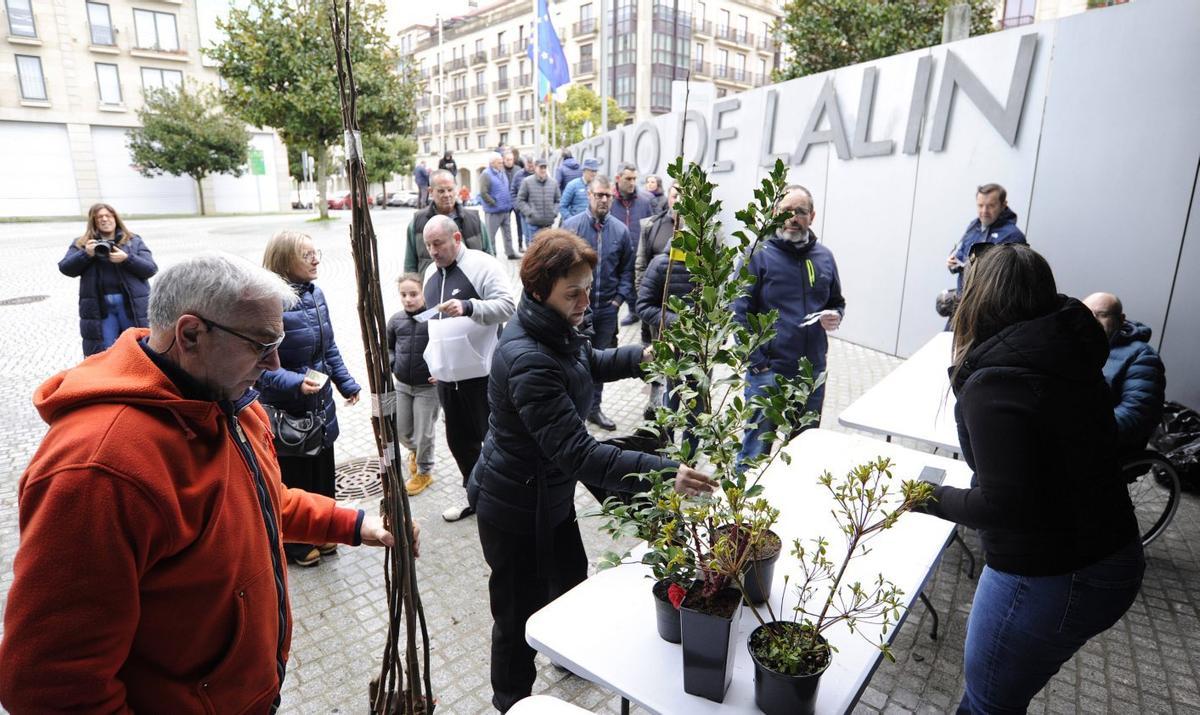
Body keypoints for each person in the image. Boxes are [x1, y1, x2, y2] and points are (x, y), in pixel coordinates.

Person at [0, 253, 405, 711]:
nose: (274, 363)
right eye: (260, 344)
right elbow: (50, 685)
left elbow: (261, 503)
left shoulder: (231, 401)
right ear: (190, 334)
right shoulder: (98, 469)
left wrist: (352, 524)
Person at [467, 229, 717, 712]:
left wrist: (643, 357)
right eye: (573, 293)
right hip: (515, 508)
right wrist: (667, 473)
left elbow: (588, 361)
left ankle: (563, 653)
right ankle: (511, 701)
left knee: (569, 579)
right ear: (540, 291)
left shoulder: (554, 329)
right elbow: (580, 454)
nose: (586, 300)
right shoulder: (527, 359)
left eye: (588, 288)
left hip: (550, 496)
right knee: (517, 612)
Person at [917, 244, 1144, 714]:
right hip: (1113, 551)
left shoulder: (996, 380)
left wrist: (932, 497)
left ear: (980, 300)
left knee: (987, 705)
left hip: (1052, 572)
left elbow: (1003, 506)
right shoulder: (1067, 349)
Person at [256, 231, 362, 567]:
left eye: (316, 252)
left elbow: (328, 348)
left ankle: (324, 530)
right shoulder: (266, 303)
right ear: (285, 260)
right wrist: (295, 384)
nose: (316, 259)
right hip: (289, 412)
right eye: (307, 254)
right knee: (296, 479)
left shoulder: (316, 295)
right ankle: (296, 545)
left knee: (322, 472)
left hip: (320, 405)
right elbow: (257, 367)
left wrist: (346, 383)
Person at [733, 185, 845, 462]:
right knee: (754, 454)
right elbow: (738, 313)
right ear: (773, 213)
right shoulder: (757, 255)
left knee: (803, 452)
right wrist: (759, 363)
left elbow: (836, 301)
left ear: (812, 216)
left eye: (800, 212)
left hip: (811, 373)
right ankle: (744, 504)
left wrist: (836, 315)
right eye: (786, 211)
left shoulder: (824, 257)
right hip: (769, 373)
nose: (793, 218)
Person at [421, 214, 517, 521]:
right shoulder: (428, 273)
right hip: (448, 380)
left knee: (494, 441)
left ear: (457, 238)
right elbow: (433, 323)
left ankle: (505, 499)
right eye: (428, 245)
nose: (433, 251)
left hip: (484, 377)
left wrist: (470, 306)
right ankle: (474, 496)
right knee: (459, 443)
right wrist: (434, 361)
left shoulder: (482, 265)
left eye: (438, 243)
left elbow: (508, 306)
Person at [561, 175, 635, 431]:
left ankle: (594, 408)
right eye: (598, 195)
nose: (603, 200)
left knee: (599, 361)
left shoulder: (621, 231)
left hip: (606, 311)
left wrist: (617, 301)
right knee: (572, 361)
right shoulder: (571, 228)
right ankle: (572, 413)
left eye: (607, 196)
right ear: (589, 195)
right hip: (575, 312)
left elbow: (628, 270)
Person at [58, 203, 158, 356]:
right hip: (100, 308)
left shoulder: (132, 240)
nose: (104, 220)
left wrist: (127, 258)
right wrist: (86, 253)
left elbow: (150, 268)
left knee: (139, 348)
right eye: (99, 217)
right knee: (105, 352)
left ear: (115, 218)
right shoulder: (83, 243)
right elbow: (66, 268)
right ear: (93, 221)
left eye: (108, 216)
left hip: (131, 306)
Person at [1082, 292, 1167, 453]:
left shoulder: (1142, 355)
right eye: (1087, 314)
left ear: (1121, 320)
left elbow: (1137, 412)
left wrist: (1087, 430)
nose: (1092, 320)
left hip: (1103, 442)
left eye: (1102, 315)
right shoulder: (1076, 347)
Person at [388, 273, 439, 496]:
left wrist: (441, 370)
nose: (408, 299)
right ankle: (416, 453)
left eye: (414, 294)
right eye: (404, 295)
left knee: (424, 433)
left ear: (423, 294)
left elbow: (445, 346)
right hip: (402, 385)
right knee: (402, 430)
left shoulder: (434, 318)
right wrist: (394, 363)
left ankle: (425, 472)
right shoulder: (396, 320)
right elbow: (389, 347)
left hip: (428, 388)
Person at [405, 169, 492, 273]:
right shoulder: (417, 222)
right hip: (432, 287)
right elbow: (410, 265)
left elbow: (489, 258)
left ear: (456, 189)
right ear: (431, 192)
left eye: (450, 190)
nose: (447, 195)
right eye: (441, 191)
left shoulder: (474, 220)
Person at [946, 183, 1027, 292]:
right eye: (980, 205)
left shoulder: (1014, 236)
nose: (984, 211)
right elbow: (961, 254)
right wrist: (953, 263)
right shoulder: (974, 226)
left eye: (991, 206)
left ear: (1003, 205)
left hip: (990, 304)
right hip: (964, 298)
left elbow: (1008, 279)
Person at [610, 163, 656, 327]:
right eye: (628, 178)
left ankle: (637, 313)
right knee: (623, 285)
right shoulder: (610, 201)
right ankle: (630, 311)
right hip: (617, 253)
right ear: (618, 178)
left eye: (634, 179)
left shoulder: (644, 201)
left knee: (639, 285)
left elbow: (651, 227)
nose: (632, 182)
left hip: (639, 252)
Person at [480, 153, 518, 260]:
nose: (502, 163)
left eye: (502, 162)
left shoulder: (502, 172)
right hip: (493, 211)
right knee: (490, 235)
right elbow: (483, 192)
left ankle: (510, 253)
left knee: (508, 234)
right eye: (499, 162)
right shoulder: (486, 174)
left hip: (505, 209)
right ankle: (492, 255)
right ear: (492, 163)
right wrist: (493, 202)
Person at [516, 158, 561, 245]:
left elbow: (558, 200)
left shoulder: (553, 183)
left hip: (548, 223)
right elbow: (521, 200)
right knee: (534, 248)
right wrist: (529, 212)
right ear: (535, 168)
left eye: (545, 167)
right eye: (541, 167)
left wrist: (554, 212)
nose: (543, 170)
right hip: (533, 223)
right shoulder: (527, 182)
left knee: (548, 247)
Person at [559, 158, 598, 222]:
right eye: (591, 171)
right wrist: (571, 220)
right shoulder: (573, 185)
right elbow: (562, 206)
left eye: (595, 171)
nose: (594, 174)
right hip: (576, 226)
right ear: (584, 170)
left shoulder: (598, 187)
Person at [506, 149, 529, 252]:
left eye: (511, 159)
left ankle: (520, 245)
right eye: (507, 159)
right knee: (507, 227)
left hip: (516, 203)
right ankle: (509, 248)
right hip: (505, 203)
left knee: (520, 225)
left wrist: (517, 204)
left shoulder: (518, 169)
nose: (509, 161)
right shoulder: (501, 170)